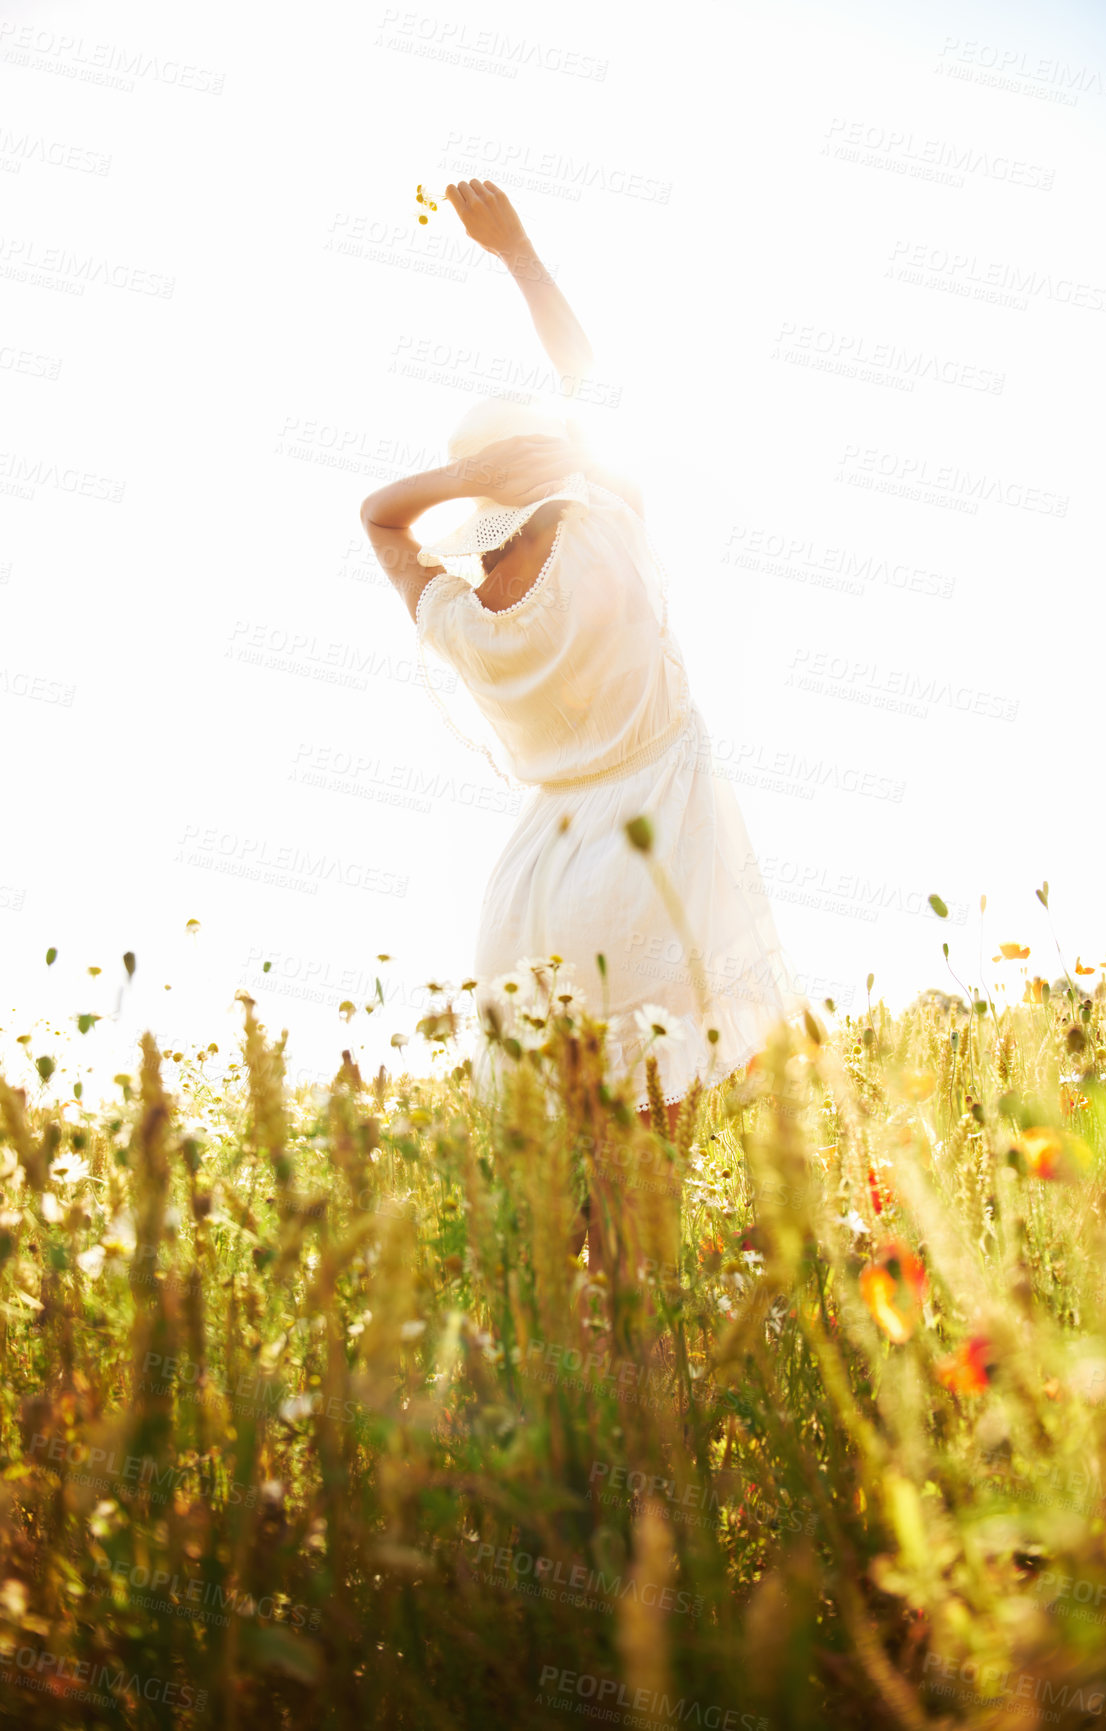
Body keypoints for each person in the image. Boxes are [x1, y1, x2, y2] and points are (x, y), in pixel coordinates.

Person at [361, 181, 802, 1157]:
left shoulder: (461, 615)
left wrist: (463, 481)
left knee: (555, 1177)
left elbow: (380, 517)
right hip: (652, 857)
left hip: (537, 882)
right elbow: (589, 381)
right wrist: (515, 249)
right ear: (553, 464)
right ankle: (630, 1303)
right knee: (648, 1166)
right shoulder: (608, 533)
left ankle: (571, 1311)